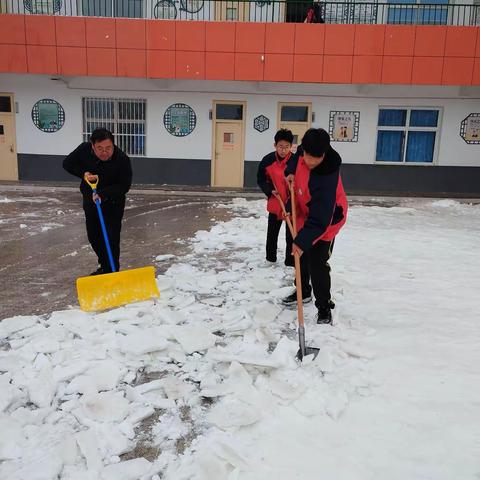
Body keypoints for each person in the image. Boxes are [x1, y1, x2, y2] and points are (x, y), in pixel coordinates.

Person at [282, 128, 348, 324]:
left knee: (317, 263)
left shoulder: (327, 177)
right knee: (299, 258)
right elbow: (296, 157)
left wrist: (302, 241)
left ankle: (324, 306)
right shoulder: (306, 149)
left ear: (324, 154)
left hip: (327, 221)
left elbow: (320, 219)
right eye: (308, 156)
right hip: (305, 211)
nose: (309, 162)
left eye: (315, 159)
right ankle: (303, 292)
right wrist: (290, 171)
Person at [63, 128, 132, 275]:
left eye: (108, 148)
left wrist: (104, 194)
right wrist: (83, 173)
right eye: (100, 148)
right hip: (90, 199)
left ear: (113, 145)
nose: (104, 152)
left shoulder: (122, 159)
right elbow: (67, 164)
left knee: (111, 238)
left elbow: (124, 185)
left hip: (113, 202)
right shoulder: (83, 150)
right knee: (94, 236)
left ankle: (112, 271)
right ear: (92, 146)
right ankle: (105, 265)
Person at [257, 129, 295, 266]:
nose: (283, 150)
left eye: (286, 147)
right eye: (280, 146)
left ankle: (290, 262)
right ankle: (270, 259)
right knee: (272, 234)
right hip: (275, 203)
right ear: (275, 145)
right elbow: (261, 179)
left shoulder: (295, 162)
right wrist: (269, 190)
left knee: (291, 235)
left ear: (291, 146)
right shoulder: (268, 160)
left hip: (291, 204)